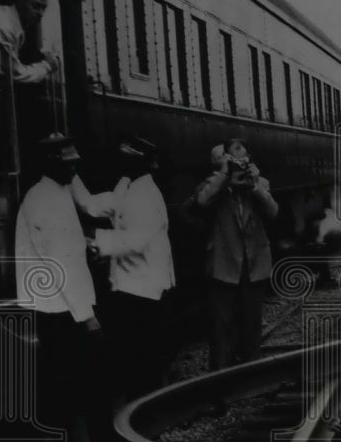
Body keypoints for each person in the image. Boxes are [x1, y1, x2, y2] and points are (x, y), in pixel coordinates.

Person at [14, 133, 111, 442]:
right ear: (51, 165)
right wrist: (86, 316)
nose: (75, 167)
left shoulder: (52, 192)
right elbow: (58, 261)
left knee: (63, 382)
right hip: (62, 307)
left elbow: (61, 243)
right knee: (86, 381)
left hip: (59, 304)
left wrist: (86, 242)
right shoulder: (44, 199)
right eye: (69, 163)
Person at [84, 137, 176, 401]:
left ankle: (147, 409)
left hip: (145, 289)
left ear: (139, 164)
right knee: (138, 354)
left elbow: (134, 240)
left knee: (142, 357)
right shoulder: (128, 187)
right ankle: (144, 405)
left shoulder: (144, 196)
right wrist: (71, 180)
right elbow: (94, 204)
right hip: (133, 287)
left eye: (125, 159)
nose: (119, 164)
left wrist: (94, 241)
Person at [195, 138, 279, 370]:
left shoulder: (260, 183)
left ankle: (249, 375)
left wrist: (254, 186)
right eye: (234, 160)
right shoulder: (213, 185)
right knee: (221, 327)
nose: (240, 165)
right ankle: (221, 378)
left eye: (244, 159)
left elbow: (273, 212)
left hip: (253, 267)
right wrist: (223, 175)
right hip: (223, 267)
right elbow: (201, 203)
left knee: (251, 325)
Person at [0, 0, 62, 184]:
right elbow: (14, 74)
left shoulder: (16, 27)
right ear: (20, 3)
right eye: (35, 6)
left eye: (43, 8)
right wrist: (47, 66)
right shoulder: (6, 26)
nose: (40, 13)